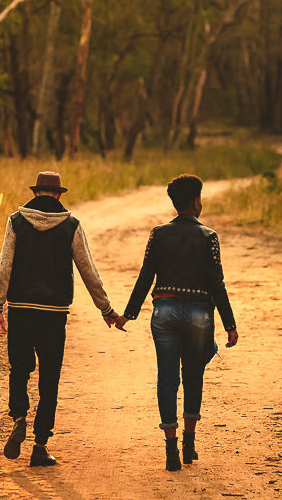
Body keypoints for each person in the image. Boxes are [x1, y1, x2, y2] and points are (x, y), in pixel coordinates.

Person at [0, 171, 122, 467]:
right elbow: (88, 269)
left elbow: (4, 265)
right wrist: (106, 309)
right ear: (59, 194)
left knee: (19, 368)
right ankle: (40, 445)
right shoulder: (71, 225)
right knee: (50, 376)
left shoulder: (16, 221)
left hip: (21, 308)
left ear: (36, 193)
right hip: (54, 313)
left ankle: (19, 416)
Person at [115, 174, 239, 471]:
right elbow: (217, 284)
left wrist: (128, 314)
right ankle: (189, 444)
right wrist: (229, 324)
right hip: (199, 314)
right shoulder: (209, 236)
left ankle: (170, 450)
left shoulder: (158, 234)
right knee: (193, 375)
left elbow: (146, 277)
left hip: (164, 313)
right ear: (196, 201)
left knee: (167, 377)